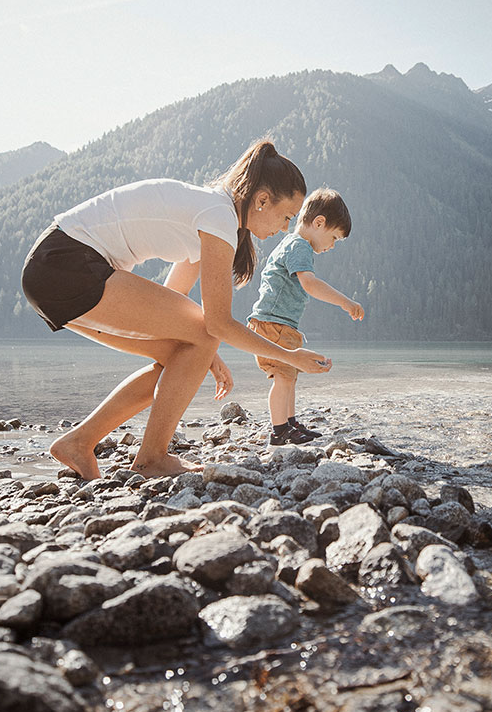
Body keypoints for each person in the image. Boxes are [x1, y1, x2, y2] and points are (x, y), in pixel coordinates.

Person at [20, 139, 331, 479]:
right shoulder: (218, 217)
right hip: (67, 264)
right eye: (285, 216)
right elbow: (218, 323)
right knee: (202, 337)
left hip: (50, 270)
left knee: (183, 351)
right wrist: (291, 356)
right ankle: (152, 457)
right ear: (261, 200)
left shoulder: (210, 212)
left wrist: (200, 356)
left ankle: (79, 443)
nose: (284, 228)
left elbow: (174, 302)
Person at [247, 187, 364, 445]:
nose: (332, 246)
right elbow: (310, 284)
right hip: (273, 324)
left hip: (279, 324)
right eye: (333, 237)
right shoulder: (299, 246)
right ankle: (279, 431)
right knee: (283, 376)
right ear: (319, 222)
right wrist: (345, 301)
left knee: (289, 375)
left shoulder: (293, 245)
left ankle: (289, 423)